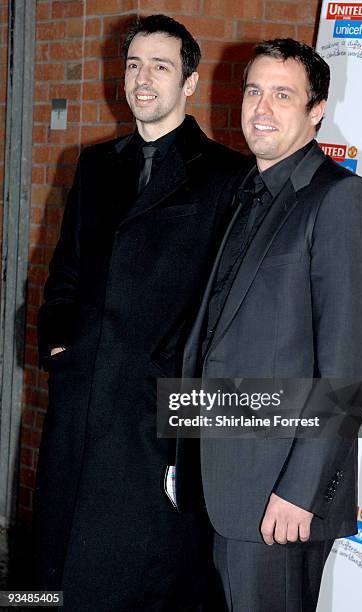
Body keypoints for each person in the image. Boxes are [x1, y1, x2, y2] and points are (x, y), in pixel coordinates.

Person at [33, 14, 246, 611]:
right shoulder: (96, 165)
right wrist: (61, 348)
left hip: (154, 420)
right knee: (52, 577)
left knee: (140, 577)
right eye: (133, 64)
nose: (143, 79)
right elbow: (63, 276)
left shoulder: (226, 176)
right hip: (79, 407)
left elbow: (225, 307)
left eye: (161, 66)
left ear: (190, 83)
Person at [176, 39, 362, 611]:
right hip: (217, 482)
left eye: (283, 95)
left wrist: (300, 493)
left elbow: (348, 369)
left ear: (316, 110)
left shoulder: (344, 201)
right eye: (253, 91)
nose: (261, 109)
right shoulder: (245, 194)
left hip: (278, 501)